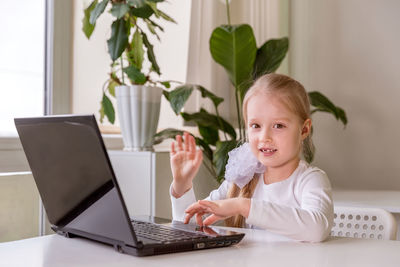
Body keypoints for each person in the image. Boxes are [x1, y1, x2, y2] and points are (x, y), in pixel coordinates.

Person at [169, 73, 334, 242]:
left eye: (278, 125)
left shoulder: (310, 180)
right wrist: (181, 186)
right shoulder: (242, 178)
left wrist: (243, 206)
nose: (264, 137)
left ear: (304, 130)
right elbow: (188, 228)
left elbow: (316, 230)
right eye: (256, 125)